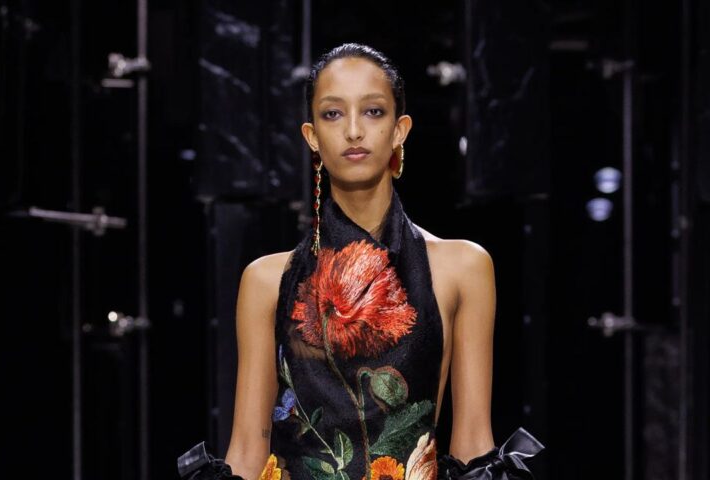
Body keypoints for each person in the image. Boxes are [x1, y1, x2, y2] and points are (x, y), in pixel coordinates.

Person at [178, 43, 543, 480]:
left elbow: (471, 443)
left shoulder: (463, 268)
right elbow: (246, 448)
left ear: (400, 129)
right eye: (333, 114)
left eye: (373, 111)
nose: (353, 130)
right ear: (312, 136)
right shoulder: (266, 280)